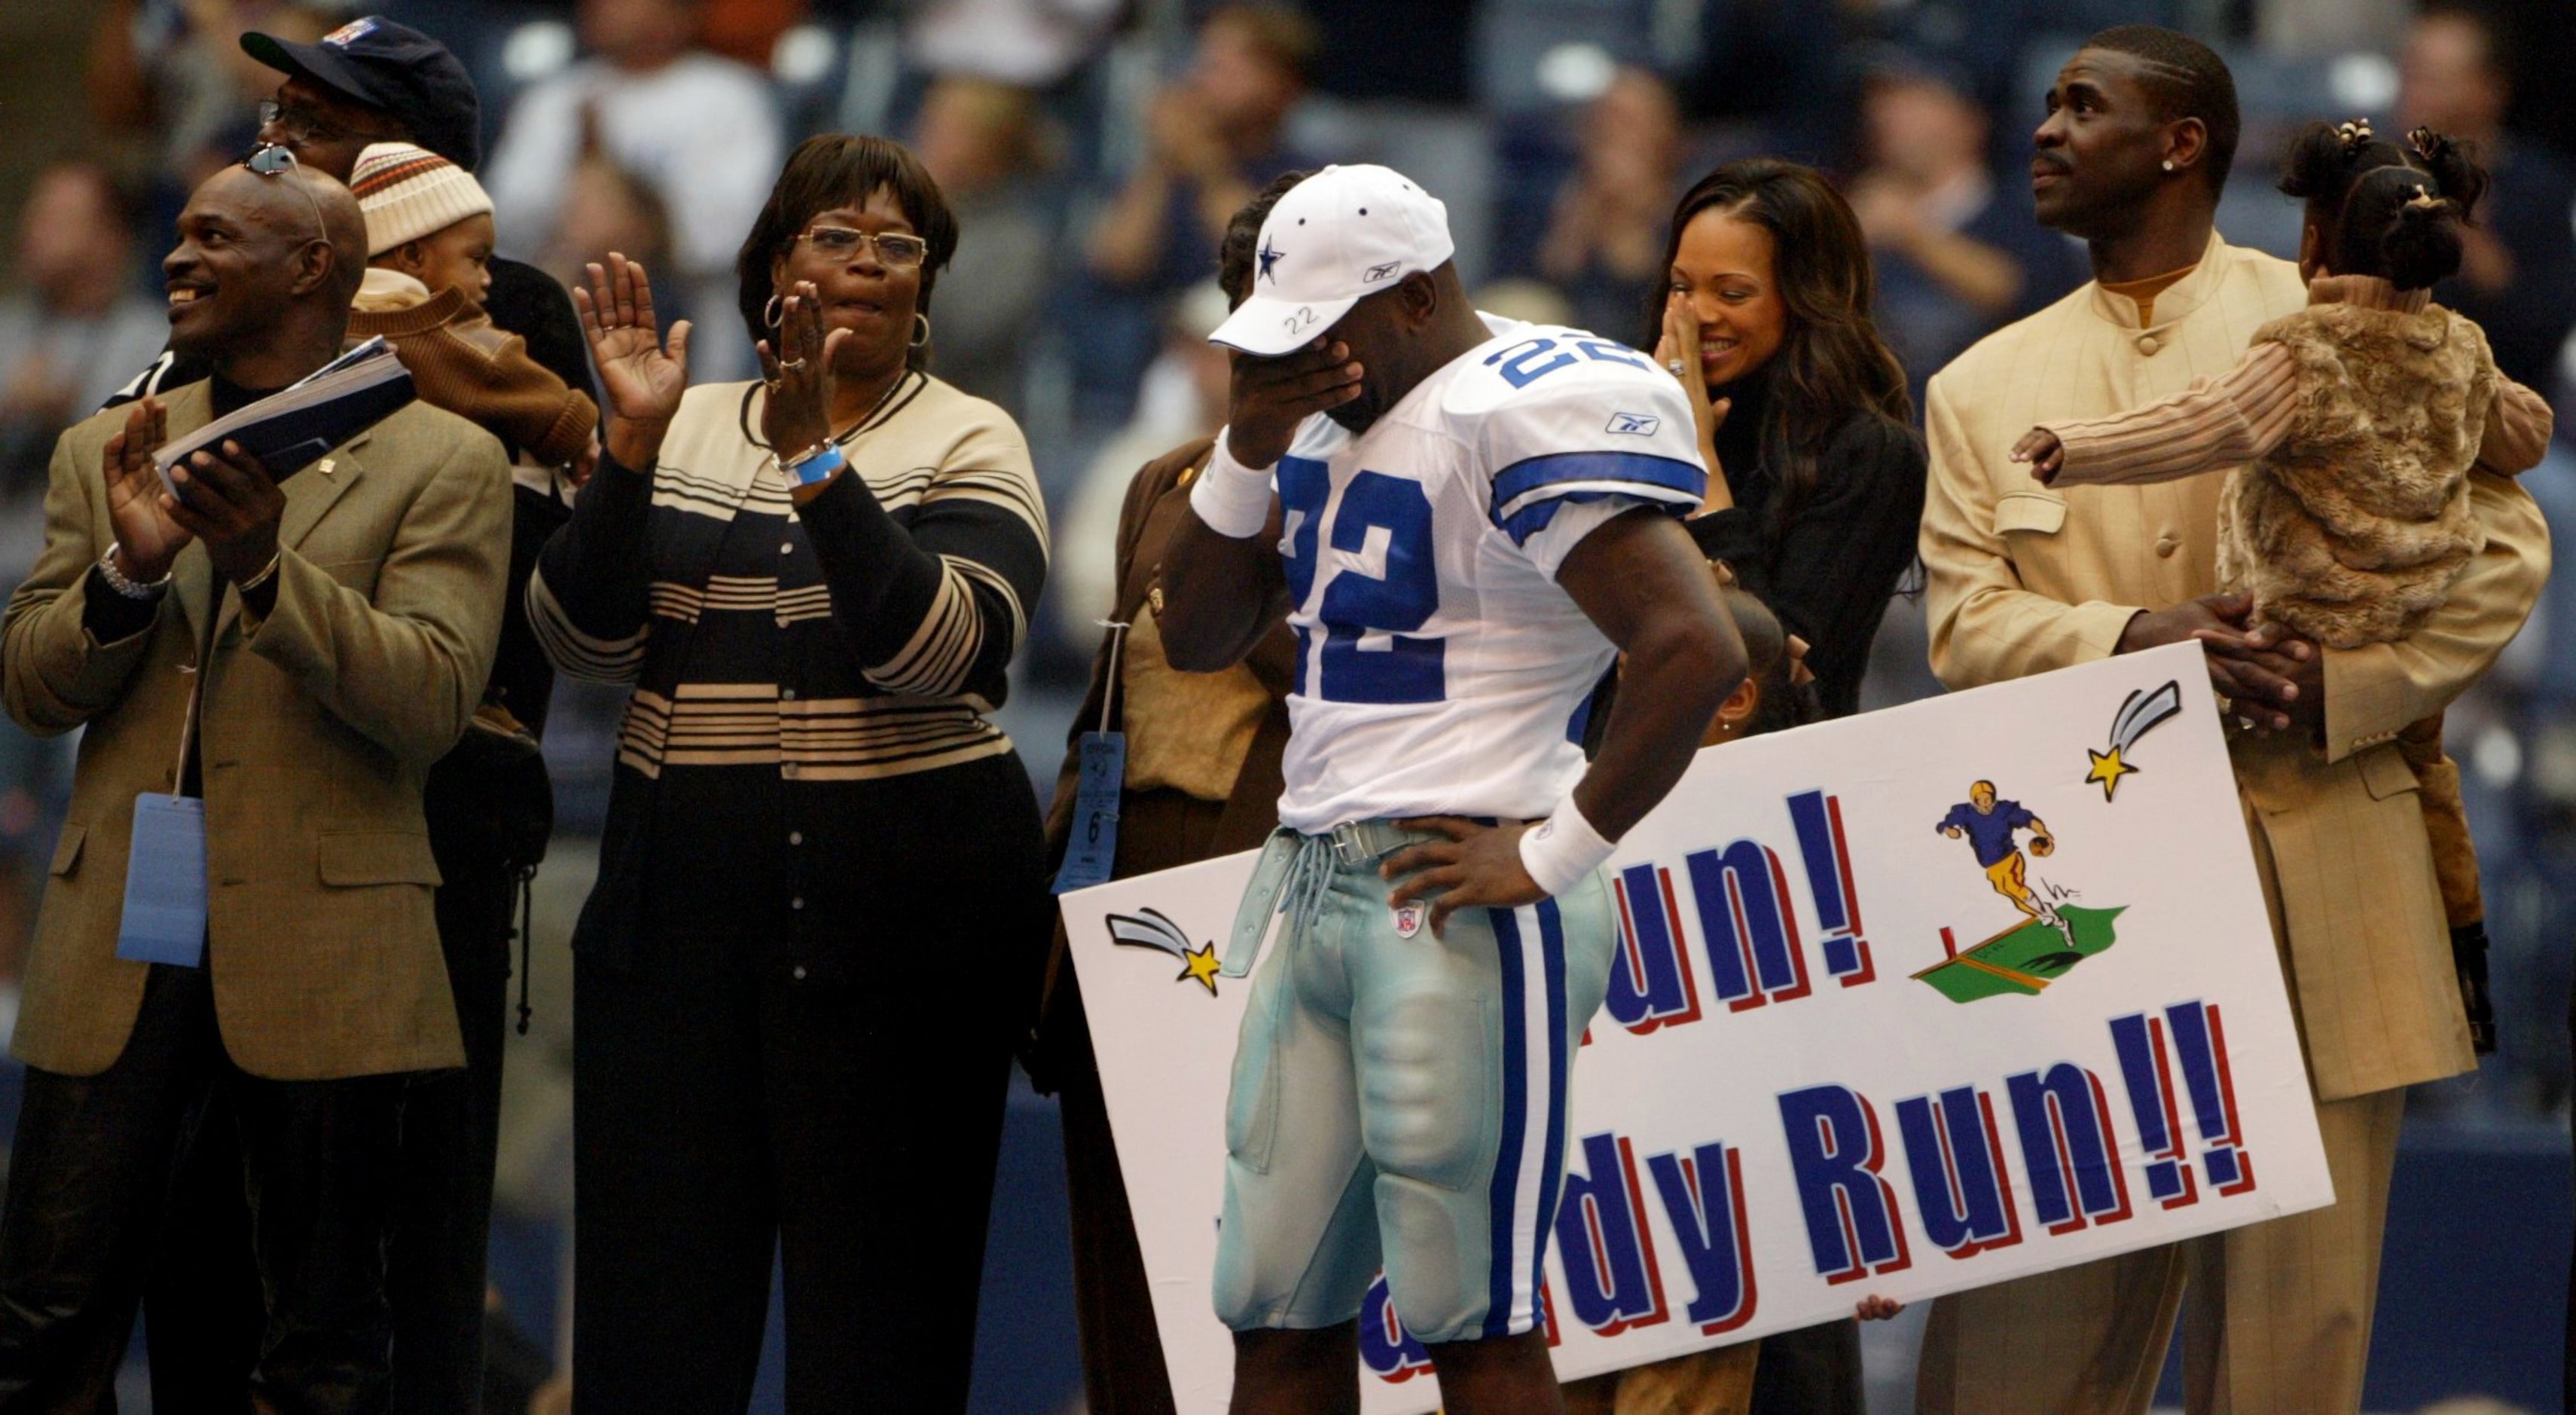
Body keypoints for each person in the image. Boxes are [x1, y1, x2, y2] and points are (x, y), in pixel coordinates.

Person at [1913, 26, 2548, 1411]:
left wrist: (2350, 685)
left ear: (2183, 139)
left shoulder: (2341, 306)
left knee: (2289, 1360)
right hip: (2079, 900)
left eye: (2084, 107)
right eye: (2050, 103)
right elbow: (1963, 626)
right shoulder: (1976, 389)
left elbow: (2506, 547)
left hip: (2329, 867)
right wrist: (2134, 638)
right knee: (2011, 1362)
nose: (2046, 129)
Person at [1157, 162, 1742, 1414]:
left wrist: (1550, 854)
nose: (1305, 362)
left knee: (1468, 1312)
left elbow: (1697, 645)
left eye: (1327, 331)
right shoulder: (1312, 413)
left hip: (1462, 895)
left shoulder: (1526, 402)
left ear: (1415, 298)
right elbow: (1194, 633)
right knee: (1268, 1295)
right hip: (1315, 879)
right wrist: (1246, 445)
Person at [108, 22, 601, 1413]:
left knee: (402, 1201)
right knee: (202, 1179)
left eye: (312, 125)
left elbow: (545, 575)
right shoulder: (231, 295)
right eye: (272, 113)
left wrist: (421, 356)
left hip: (423, 790)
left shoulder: (516, 307)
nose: (274, 143)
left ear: (410, 160)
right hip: (233, 782)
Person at [526, 133, 1049, 1410]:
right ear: (774, 265)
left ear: (927, 288)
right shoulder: (683, 417)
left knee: (879, 1342)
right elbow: (576, 640)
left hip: (902, 963)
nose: (867, 266)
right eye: (836, 236)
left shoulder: (973, 437)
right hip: (674, 956)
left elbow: (942, 655)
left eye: (899, 246)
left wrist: (821, 462)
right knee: (653, 1341)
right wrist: (632, 454)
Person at [0, 152, 511, 1410]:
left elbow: (433, 697)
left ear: (310, 266)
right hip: (122, 931)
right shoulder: (104, 450)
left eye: (217, 236)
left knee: (321, 1348)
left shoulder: (444, 459)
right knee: (44, 1326)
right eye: (177, 233)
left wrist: (267, 569)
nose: (178, 256)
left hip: (329, 946)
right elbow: (30, 682)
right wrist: (125, 580)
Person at [2016, 118, 2557, 1050]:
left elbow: (2202, 424)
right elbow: (2530, 436)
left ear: (2314, 243)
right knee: (2445, 817)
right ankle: (2471, 991)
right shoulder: (2462, 350)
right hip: (2405, 627)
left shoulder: (2303, 356)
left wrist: (2075, 448)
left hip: (2292, 635)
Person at [1030, 168, 1307, 1415]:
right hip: (1131, 876)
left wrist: (1241, 549)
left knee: (1265, 1275)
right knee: (1117, 1263)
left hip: (1278, 898)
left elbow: (1373, 703)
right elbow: (1107, 709)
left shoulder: (1400, 484)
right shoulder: (1165, 476)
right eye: (1248, 293)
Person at [1650, 157, 1925, 724]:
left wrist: (1697, 457)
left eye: (1732, 293)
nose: (1697, 314)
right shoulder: (1630, 428)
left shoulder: (1870, 455)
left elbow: (1775, 689)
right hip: (1611, 774)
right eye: (1682, 287)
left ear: (1805, 296)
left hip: (1779, 786)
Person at [484, 0, 785, 382]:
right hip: (572, 306)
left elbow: (741, 226)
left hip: (693, 324)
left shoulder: (729, 95)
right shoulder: (557, 97)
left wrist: (640, 217)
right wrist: (582, 188)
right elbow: (504, 219)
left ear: (678, 14)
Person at [1846, 50, 2089, 412]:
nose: (1887, 115)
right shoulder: (1846, 214)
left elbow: (2022, 294)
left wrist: (1912, 235)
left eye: (1913, 99)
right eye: (1882, 99)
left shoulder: (2027, 223)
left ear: (1970, 120)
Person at [346, 142, 599, 476]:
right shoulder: (457, 342)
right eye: (476, 261)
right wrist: (582, 439)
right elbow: (560, 417)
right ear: (412, 257)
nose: (487, 279)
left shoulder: (328, 321)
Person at [2395, 0, 2576, 405]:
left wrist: (2473, 250)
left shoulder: (2540, 190)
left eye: (2435, 80)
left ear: (2489, 90)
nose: (2415, 94)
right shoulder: (2364, 172)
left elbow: (2545, 332)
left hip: (2501, 415)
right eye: (2411, 74)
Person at [0, 164, 171, 503]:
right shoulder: (8, 327)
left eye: (55, 219)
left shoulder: (156, 341)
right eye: (33, 216)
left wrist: (67, 415)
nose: (31, 232)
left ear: (111, 238)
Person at [1536, 67, 1686, 344]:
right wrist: (1580, 218)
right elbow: (1539, 282)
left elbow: (1644, 288)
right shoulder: (1560, 191)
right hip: (1566, 342)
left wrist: (1628, 216)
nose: (1611, 132)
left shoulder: (1691, 203)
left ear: (1664, 131)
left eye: (1628, 121)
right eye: (1604, 119)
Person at [1938, 779, 2059, 922]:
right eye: (1980, 798)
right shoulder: (1966, 813)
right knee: (2003, 889)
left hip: (2009, 857)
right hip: (1991, 864)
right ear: (1974, 799)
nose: (1985, 801)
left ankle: (2044, 914)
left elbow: (2029, 820)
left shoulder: (2005, 810)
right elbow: (1943, 824)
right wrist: (1948, 830)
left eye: (1988, 797)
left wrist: (2042, 832)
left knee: (2011, 886)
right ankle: (2044, 914)